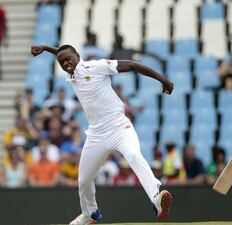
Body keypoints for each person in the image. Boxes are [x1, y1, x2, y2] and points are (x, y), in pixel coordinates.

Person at [31, 44, 174, 225]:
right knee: (83, 181)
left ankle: (156, 198)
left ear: (78, 56)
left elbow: (132, 65)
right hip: (96, 135)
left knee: (133, 155)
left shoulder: (96, 67)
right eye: (62, 62)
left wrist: (163, 80)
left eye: (69, 59)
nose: (66, 63)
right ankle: (90, 213)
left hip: (119, 127)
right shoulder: (71, 73)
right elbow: (63, 53)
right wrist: (45, 48)